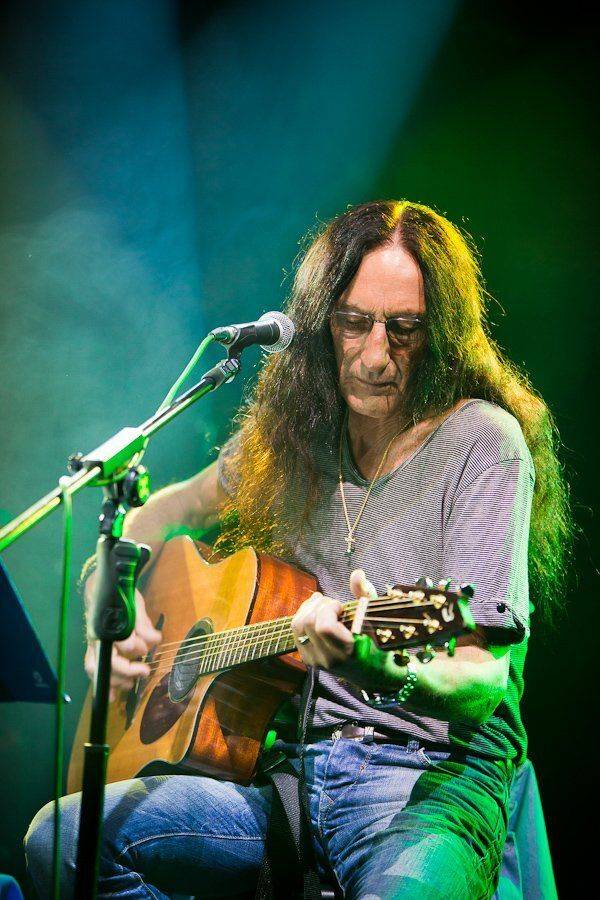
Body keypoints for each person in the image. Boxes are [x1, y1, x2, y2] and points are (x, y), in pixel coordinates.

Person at [24, 200, 572, 898]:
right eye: (353, 323)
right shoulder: (291, 440)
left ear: (442, 334)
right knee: (59, 841)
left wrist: (378, 664)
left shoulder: (483, 443)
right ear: (318, 325)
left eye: (404, 330)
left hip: (428, 782)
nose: (375, 355)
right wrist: (112, 610)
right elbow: (151, 515)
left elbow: (484, 680)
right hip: (289, 778)